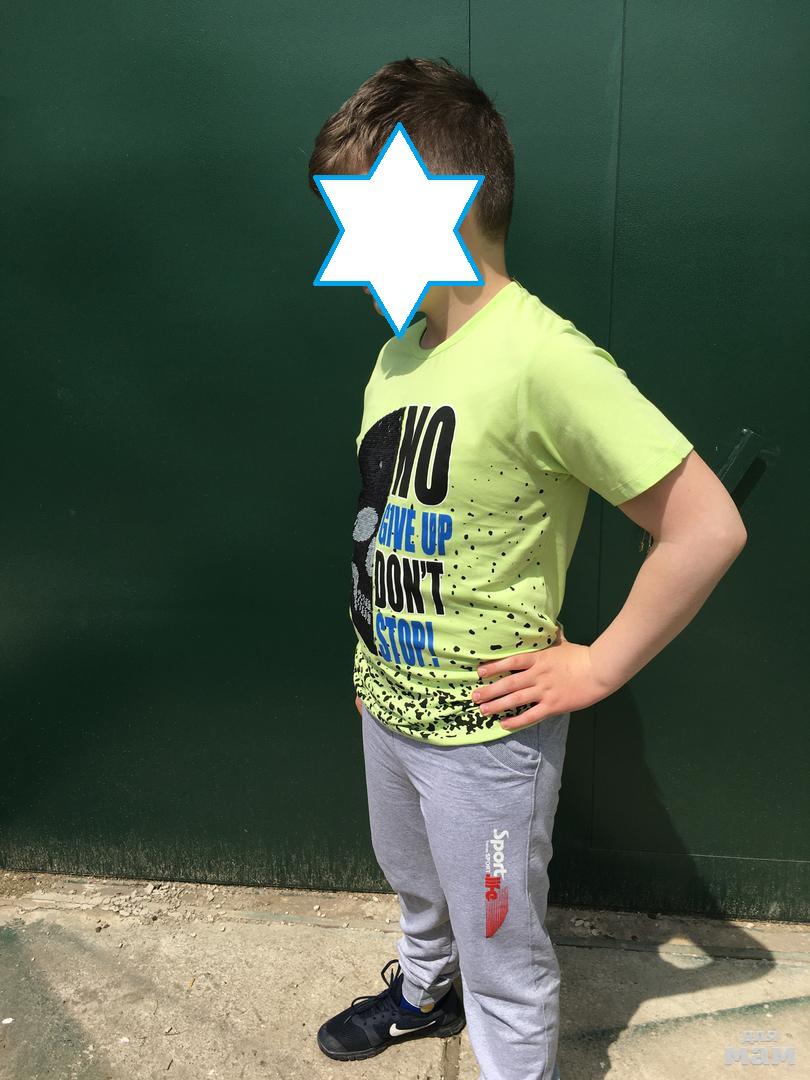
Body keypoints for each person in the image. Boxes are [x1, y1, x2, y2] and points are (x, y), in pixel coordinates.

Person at [307, 57, 747, 1080]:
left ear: (446, 205)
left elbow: (706, 528)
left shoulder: (545, 358)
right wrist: (375, 660)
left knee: (502, 942)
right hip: (388, 703)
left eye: (364, 212)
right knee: (415, 883)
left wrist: (598, 666)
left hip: (488, 740)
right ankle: (424, 991)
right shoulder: (400, 354)